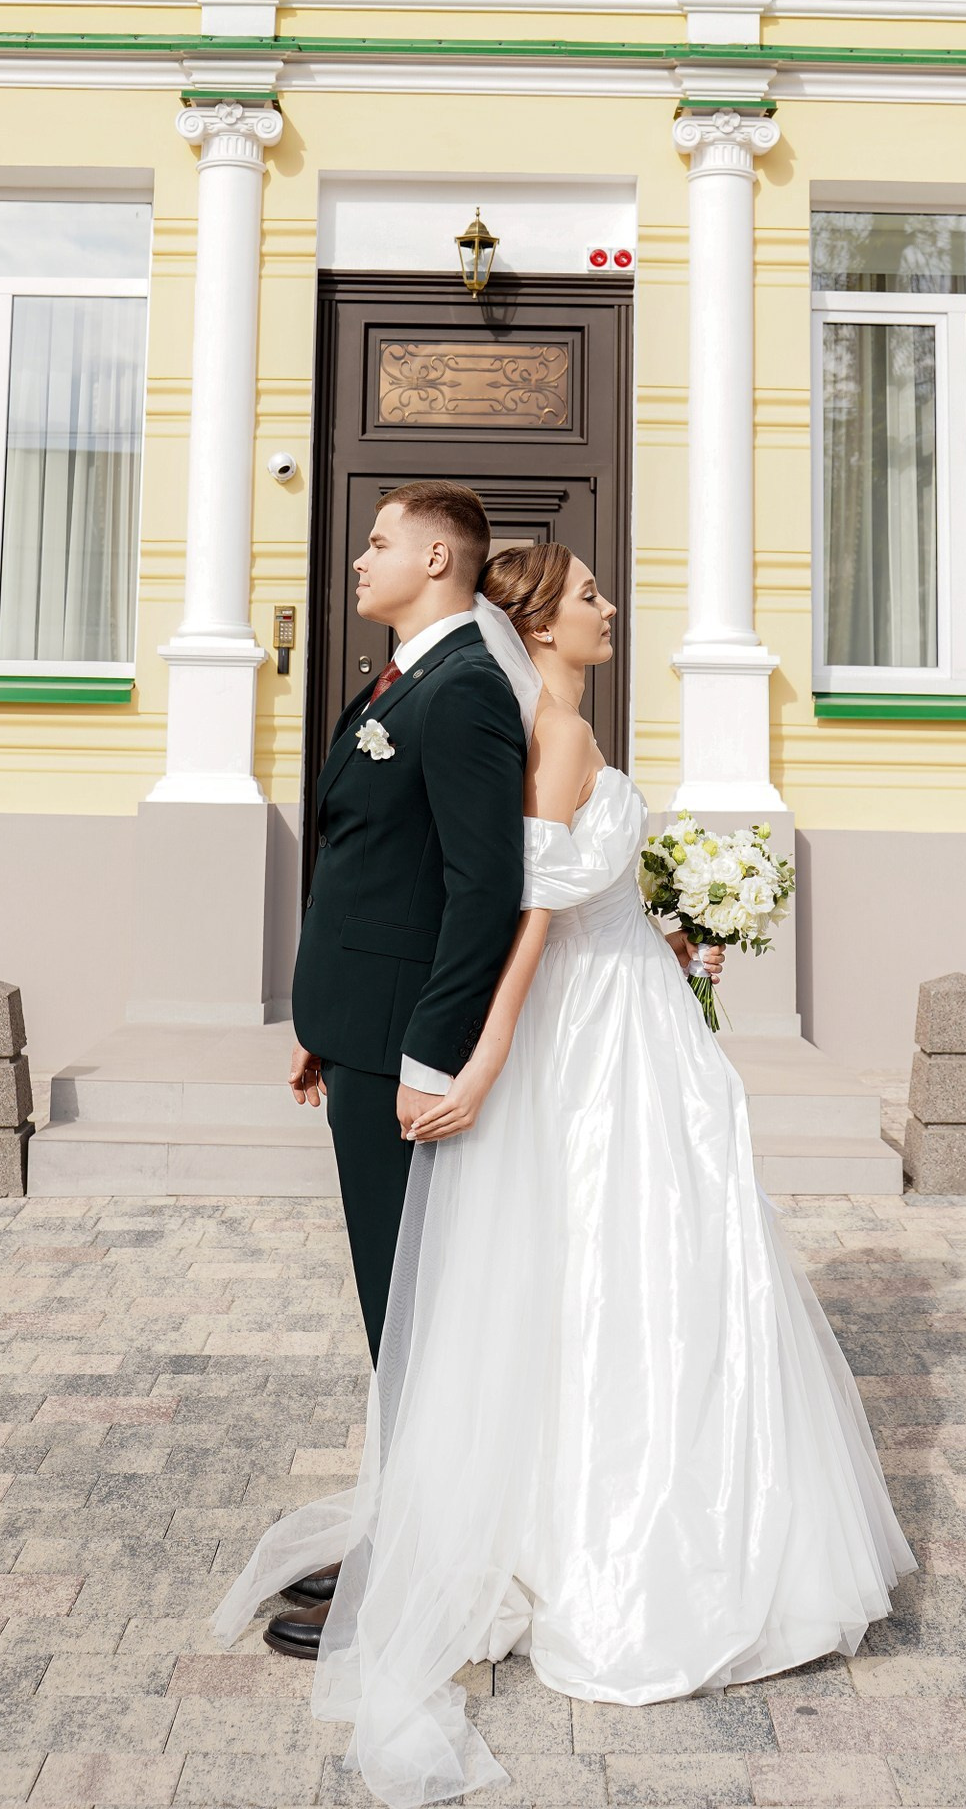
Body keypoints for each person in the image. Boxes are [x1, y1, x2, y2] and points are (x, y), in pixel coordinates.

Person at [218, 542, 915, 1807]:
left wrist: (673, 935)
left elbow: (579, 899)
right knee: (620, 1269)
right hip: (592, 1042)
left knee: (633, 1273)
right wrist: (481, 1058)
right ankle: (570, 1547)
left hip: (630, 1013)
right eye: (590, 594)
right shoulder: (554, 731)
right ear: (539, 620)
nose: (608, 606)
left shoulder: (561, 724)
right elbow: (529, 911)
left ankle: (533, 1526)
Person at [264, 480, 527, 1663]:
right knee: (398, 1306)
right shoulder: (399, 679)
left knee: (412, 1310)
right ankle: (408, 1528)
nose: (358, 558)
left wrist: (428, 1051)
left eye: (378, 542)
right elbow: (370, 862)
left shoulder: (463, 688)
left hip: (404, 1055)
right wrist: (325, 1018)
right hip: (358, 1033)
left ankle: (426, 1570)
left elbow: (482, 889)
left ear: (435, 559)